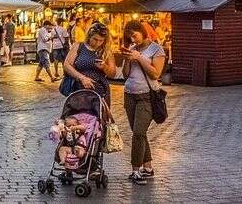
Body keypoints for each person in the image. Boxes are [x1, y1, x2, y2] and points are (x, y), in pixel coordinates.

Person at [121, 20, 166, 185]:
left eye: (134, 34)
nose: (133, 39)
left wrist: (139, 58)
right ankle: (148, 167)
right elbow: (125, 75)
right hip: (129, 94)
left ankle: (135, 170)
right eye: (129, 36)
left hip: (146, 96)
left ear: (142, 31)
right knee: (139, 133)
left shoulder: (156, 49)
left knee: (138, 133)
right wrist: (127, 59)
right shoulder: (132, 49)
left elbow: (155, 74)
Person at [63, 22, 117, 106]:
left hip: (99, 91)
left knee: (97, 117)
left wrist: (104, 67)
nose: (98, 43)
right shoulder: (78, 46)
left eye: (101, 41)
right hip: (79, 90)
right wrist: (82, 78)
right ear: (89, 36)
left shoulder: (106, 52)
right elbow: (67, 65)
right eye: (95, 39)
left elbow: (113, 74)